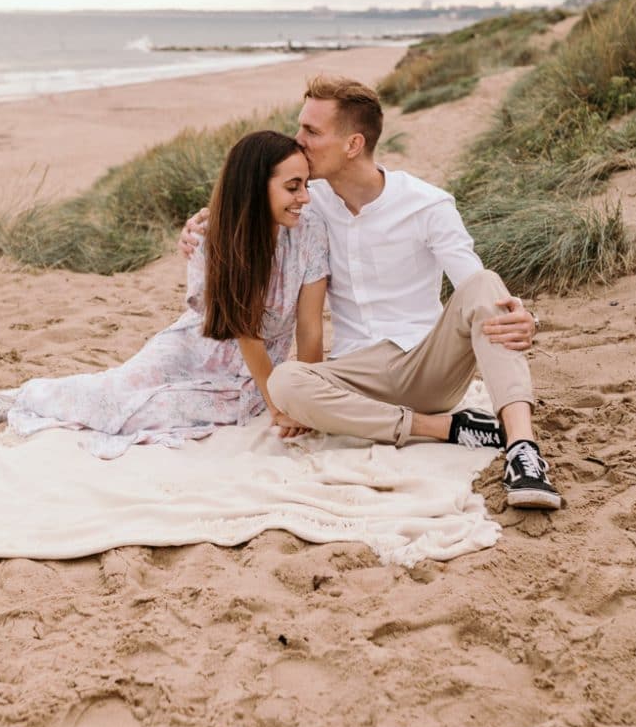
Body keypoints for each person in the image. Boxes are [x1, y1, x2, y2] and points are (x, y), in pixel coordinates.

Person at [180, 76, 560, 511]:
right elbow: (248, 202)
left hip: (426, 365)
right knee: (286, 381)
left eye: (311, 132)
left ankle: (523, 450)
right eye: (300, 127)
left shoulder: (427, 204)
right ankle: (445, 429)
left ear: (353, 144)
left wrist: (518, 313)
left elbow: (472, 283)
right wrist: (200, 228)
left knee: (486, 283)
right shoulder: (309, 200)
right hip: (355, 376)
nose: (298, 141)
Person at [0, 131, 328, 458]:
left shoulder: (308, 233)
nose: (305, 198)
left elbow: (310, 328)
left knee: (142, 415)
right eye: (293, 187)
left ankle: (28, 398)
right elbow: (243, 330)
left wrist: (301, 400)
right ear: (253, 186)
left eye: (306, 185)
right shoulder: (211, 237)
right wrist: (278, 408)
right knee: (117, 388)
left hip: (248, 377)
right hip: (192, 346)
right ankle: (21, 397)